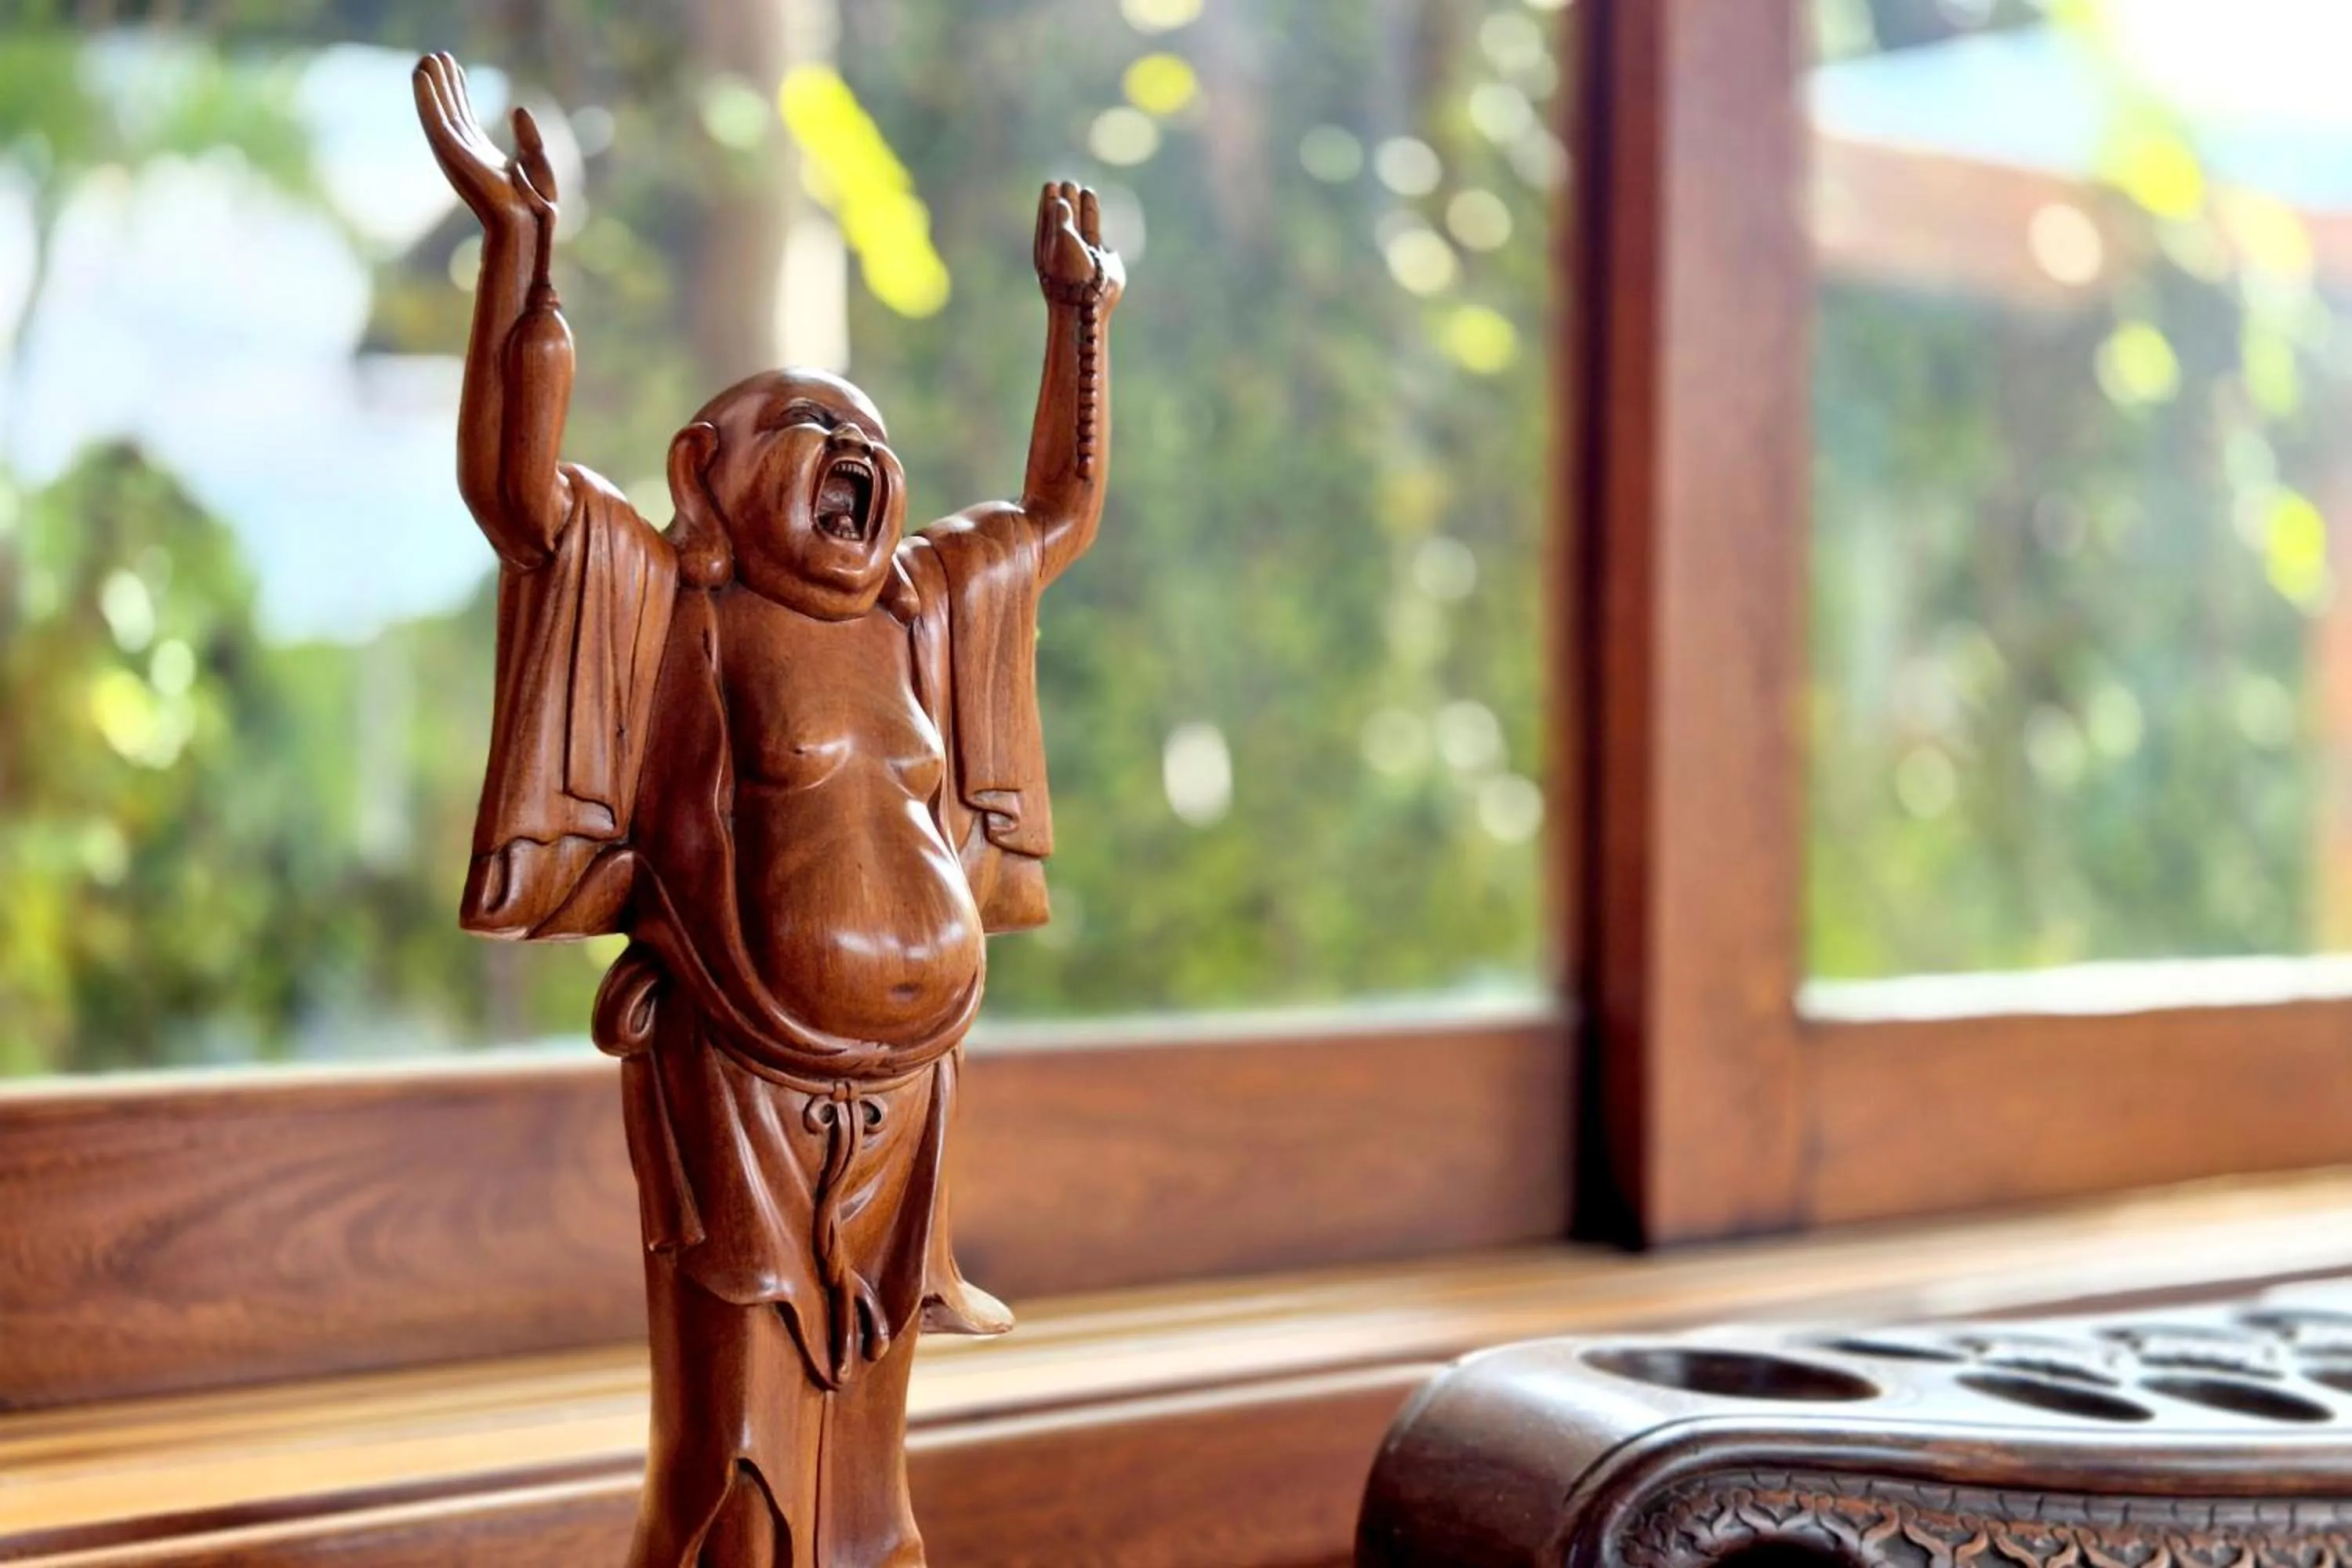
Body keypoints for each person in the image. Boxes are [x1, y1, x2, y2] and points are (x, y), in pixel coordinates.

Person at [412, 52, 1123, 1568]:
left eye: (871, 435)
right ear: (704, 474)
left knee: (870, 1455)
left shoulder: (921, 616)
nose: (857, 448)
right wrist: (520, 268)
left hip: (911, 1095)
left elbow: (1057, 515)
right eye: (810, 423)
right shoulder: (682, 616)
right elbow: (519, 502)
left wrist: (1081, 320)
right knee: (736, 1449)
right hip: (738, 1086)